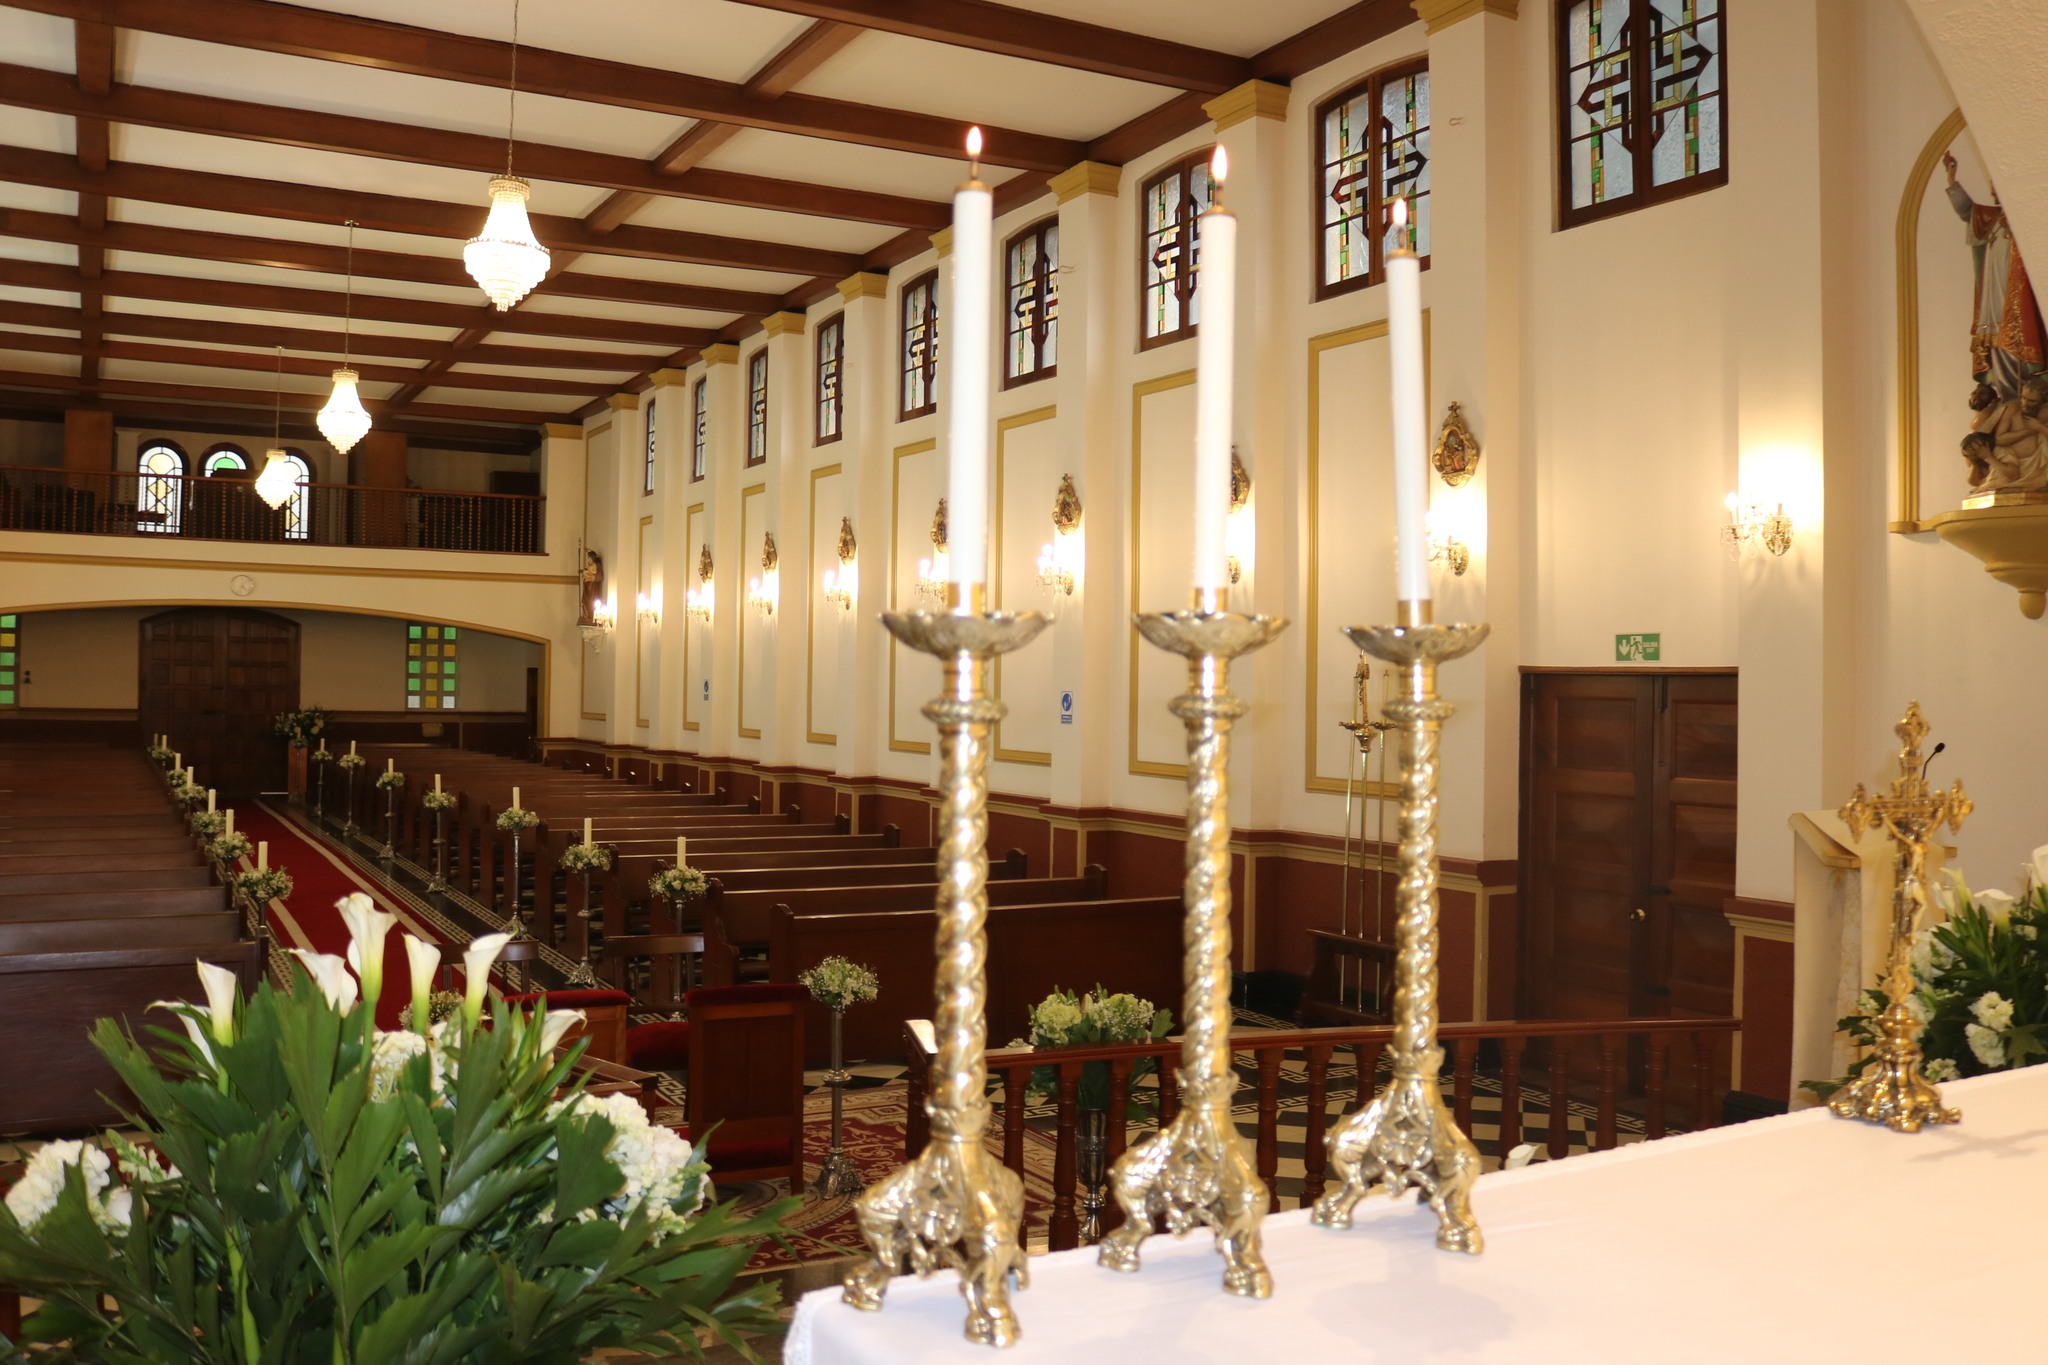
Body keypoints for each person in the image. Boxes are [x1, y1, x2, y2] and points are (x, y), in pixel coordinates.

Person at [1945, 150, 2045, 400]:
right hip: (1993, 297)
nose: (1994, 192)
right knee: (1996, 339)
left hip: (2017, 292)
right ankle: (2008, 395)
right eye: (1994, 188)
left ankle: (2029, 392)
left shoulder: (2027, 217)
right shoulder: (1991, 219)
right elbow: (1967, 212)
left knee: (2018, 333)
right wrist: (1952, 181)